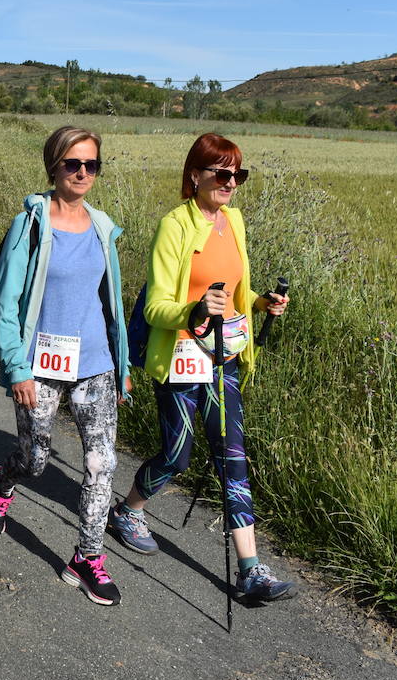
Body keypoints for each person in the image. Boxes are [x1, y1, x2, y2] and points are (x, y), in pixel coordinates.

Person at [110, 133, 295, 603]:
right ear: (196, 175)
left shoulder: (233, 221)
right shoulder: (175, 225)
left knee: (233, 459)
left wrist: (259, 303)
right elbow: (155, 308)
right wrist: (194, 309)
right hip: (179, 359)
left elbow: (234, 293)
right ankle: (129, 510)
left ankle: (251, 571)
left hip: (225, 358)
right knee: (176, 456)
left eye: (239, 174)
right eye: (223, 173)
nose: (232, 183)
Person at [0, 126, 130, 606]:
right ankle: (2, 480)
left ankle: (87, 558)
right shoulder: (31, 224)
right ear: (54, 166)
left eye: (92, 165)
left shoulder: (103, 228)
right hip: (40, 364)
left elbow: (112, 304)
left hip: (95, 365)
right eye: (73, 164)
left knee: (102, 465)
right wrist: (16, 367)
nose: (83, 172)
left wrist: (121, 363)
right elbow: (7, 302)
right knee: (37, 461)